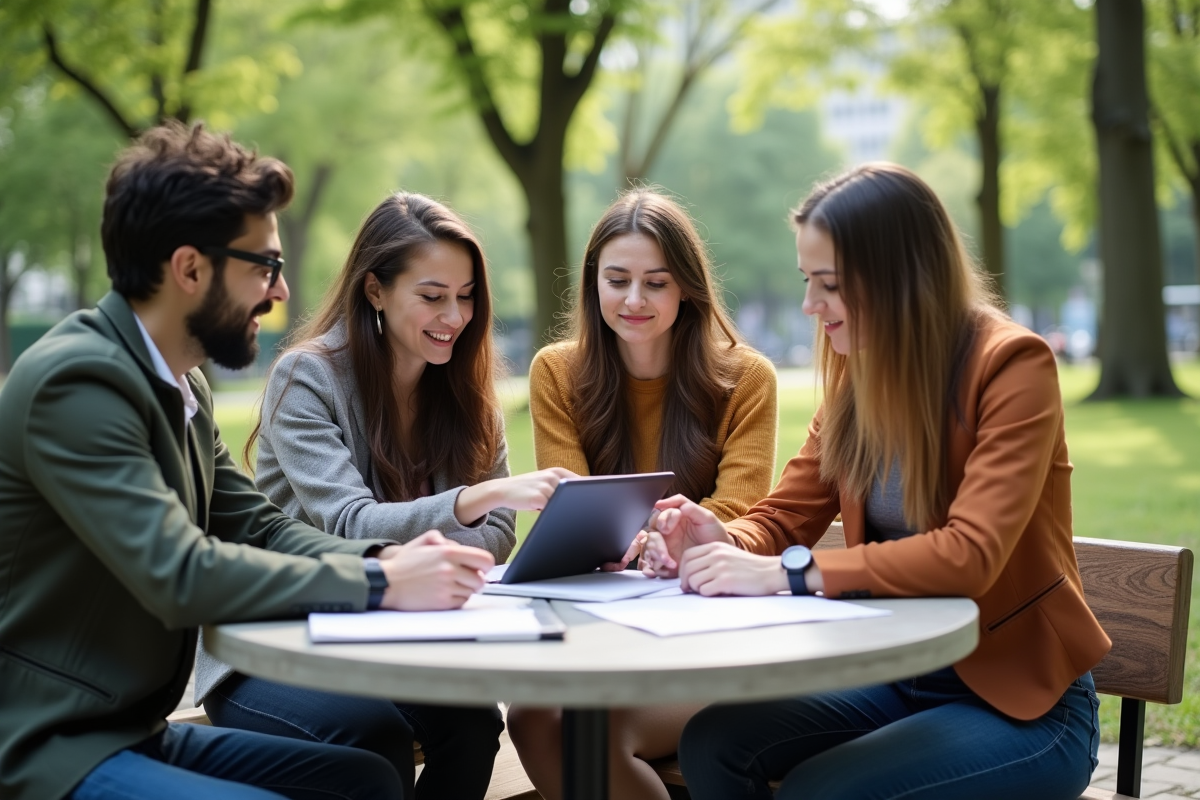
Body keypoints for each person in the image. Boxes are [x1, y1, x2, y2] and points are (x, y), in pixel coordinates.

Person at [0, 122, 497, 800]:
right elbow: (178, 571)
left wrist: (380, 560)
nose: (282, 292)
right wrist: (379, 588)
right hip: (45, 743)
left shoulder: (184, 383)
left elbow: (258, 526)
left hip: (133, 729)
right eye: (264, 266)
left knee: (367, 782)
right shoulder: (77, 383)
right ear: (190, 269)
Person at [640, 163, 1112, 800]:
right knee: (714, 743)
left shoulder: (1011, 364)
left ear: (899, 276)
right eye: (808, 281)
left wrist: (789, 573)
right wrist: (719, 536)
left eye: (829, 284)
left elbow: (970, 554)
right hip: (897, 674)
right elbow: (784, 516)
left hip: (1023, 705)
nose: (810, 305)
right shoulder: (854, 379)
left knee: (823, 790)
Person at [195, 191, 574, 800]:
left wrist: (478, 514)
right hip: (274, 640)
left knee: (475, 726)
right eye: (432, 296)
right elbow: (348, 522)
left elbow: (500, 536)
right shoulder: (308, 377)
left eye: (466, 295)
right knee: (373, 737)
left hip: (397, 634)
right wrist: (472, 500)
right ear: (375, 290)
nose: (455, 316)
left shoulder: (467, 389)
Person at [507, 188, 779, 800]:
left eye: (656, 282)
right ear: (592, 284)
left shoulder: (745, 378)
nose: (634, 300)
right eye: (617, 279)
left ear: (686, 288)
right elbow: (568, 505)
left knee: (586, 733)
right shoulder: (558, 371)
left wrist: (671, 542)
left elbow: (737, 513)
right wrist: (638, 542)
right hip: (602, 631)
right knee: (531, 716)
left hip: (711, 633)